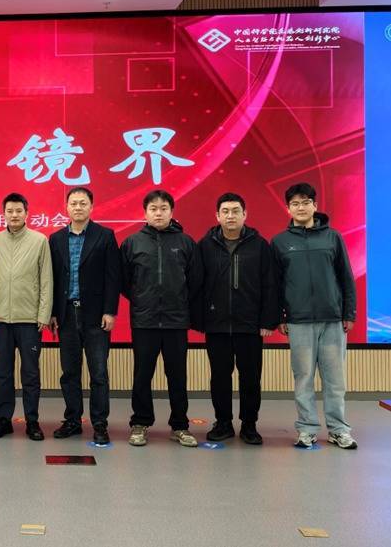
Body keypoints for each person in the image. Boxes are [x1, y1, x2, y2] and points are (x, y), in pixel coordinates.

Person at [271, 183, 358, 449]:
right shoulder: (280, 242)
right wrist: (280, 316)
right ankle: (307, 429)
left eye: (306, 202)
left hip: (332, 319)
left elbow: (346, 277)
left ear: (315, 205)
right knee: (304, 377)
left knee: (334, 380)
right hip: (298, 321)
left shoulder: (333, 237)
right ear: (288, 208)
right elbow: (275, 283)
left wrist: (349, 312)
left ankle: (338, 429)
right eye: (295, 203)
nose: (301, 207)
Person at [121, 190, 201, 448]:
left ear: (171, 211)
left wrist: (179, 302)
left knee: (177, 375)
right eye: (153, 208)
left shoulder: (185, 242)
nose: (158, 213)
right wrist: (142, 298)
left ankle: (180, 425)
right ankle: (140, 423)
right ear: (145, 212)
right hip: (144, 321)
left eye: (163, 208)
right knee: (142, 375)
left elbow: (196, 281)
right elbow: (124, 281)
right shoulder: (133, 243)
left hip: (176, 321)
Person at [196, 193, 278, 445]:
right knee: (219, 377)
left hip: (249, 324)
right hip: (217, 324)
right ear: (217, 215)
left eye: (235, 211)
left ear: (245, 215)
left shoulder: (260, 245)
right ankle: (223, 423)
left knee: (250, 377)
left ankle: (249, 425)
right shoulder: (205, 245)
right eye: (225, 211)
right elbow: (197, 285)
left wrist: (268, 320)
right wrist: (200, 319)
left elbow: (270, 284)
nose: (230, 216)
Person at [48, 187, 120, 444]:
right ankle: (72, 420)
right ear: (66, 207)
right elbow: (52, 279)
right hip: (66, 314)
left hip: (96, 316)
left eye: (82, 203)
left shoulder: (105, 236)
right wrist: (53, 313)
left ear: (91, 207)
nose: (78, 207)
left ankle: (99, 424)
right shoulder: (56, 239)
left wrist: (110, 311)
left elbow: (113, 277)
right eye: (73, 203)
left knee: (98, 373)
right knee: (69, 372)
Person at [0, 193, 52, 441]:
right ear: (3, 214)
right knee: (3, 372)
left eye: (18, 211)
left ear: (26, 213)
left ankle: (32, 421)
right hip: (1, 318)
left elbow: (46, 280)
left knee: (30, 373)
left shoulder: (39, 240)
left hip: (29, 319)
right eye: (9, 211)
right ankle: (3, 419)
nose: (14, 215)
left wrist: (43, 313)